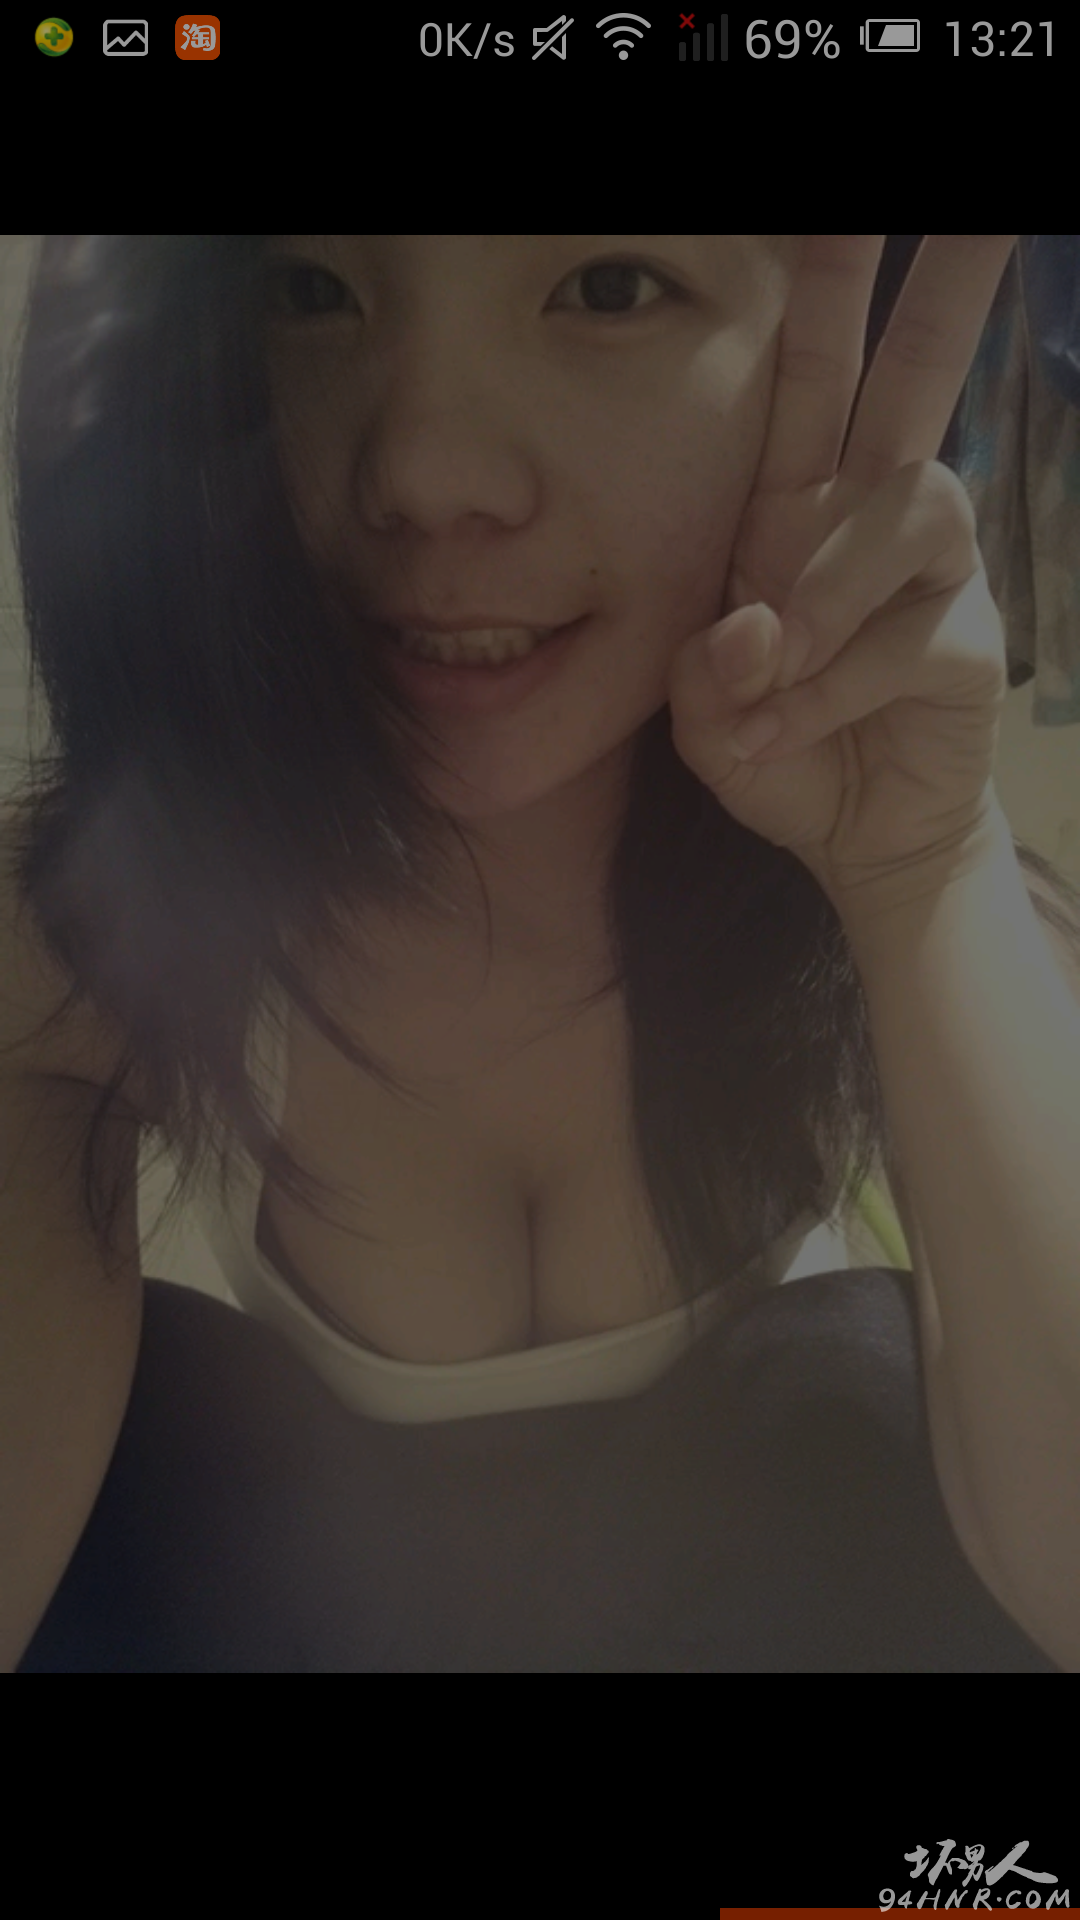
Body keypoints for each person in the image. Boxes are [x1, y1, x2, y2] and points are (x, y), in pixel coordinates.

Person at [4, 236, 1077, 1671]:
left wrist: (919, 872)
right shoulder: (97, 941)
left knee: (846, 1395)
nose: (420, 470)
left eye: (610, 287)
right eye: (312, 290)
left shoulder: (954, 927)